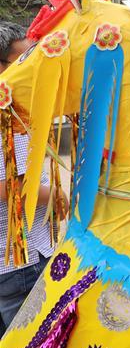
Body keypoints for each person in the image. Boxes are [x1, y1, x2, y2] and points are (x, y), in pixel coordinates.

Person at [0, 22, 59, 329]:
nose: (32, 72)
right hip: (20, 261)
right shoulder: (5, 114)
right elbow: (12, 187)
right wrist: (68, 196)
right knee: (27, 338)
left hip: (12, 261)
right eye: (23, 63)